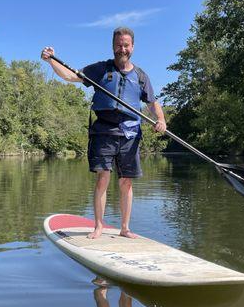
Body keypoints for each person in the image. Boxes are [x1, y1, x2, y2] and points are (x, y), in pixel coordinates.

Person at [41, 27, 166, 239]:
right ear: (113, 46)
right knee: (103, 178)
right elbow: (71, 76)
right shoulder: (101, 69)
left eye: (126, 45)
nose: (122, 49)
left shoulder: (142, 76)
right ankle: (98, 226)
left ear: (132, 47)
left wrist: (161, 120)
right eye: (119, 45)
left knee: (126, 182)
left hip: (130, 134)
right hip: (104, 131)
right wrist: (51, 60)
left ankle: (125, 228)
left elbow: (153, 104)